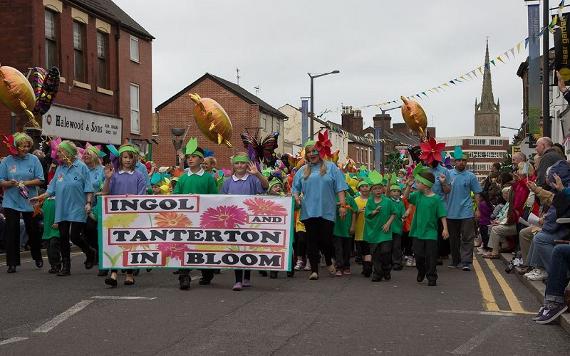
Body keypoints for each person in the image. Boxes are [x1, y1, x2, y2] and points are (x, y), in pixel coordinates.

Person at [32, 140, 96, 276]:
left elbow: (89, 187)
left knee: (75, 236)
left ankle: (90, 252)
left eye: (60, 151)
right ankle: (66, 267)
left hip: (78, 207)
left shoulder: (81, 167)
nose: (57, 154)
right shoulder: (60, 168)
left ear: (69, 153)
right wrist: (41, 197)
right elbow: (52, 188)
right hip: (62, 208)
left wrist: (88, 202)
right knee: (63, 236)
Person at [292, 140, 348, 281]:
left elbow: (340, 188)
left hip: (327, 211)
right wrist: (297, 197)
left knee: (326, 241)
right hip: (308, 211)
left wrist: (342, 205)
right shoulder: (301, 171)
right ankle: (314, 270)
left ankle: (329, 261)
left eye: (314, 151)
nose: (312, 154)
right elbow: (295, 189)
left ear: (320, 152)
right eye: (309, 151)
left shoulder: (331, 168)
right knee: (312, 241)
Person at [174, 139, 219, 290]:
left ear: (201, 159)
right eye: (188, 157)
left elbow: (214, 199)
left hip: (202, 220)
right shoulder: (183, 177)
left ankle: (207, 273)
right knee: (184, 247)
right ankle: (184, 276)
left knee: (202, 247)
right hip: (185, 220)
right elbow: (175, 197)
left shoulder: (208, 178)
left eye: (193, 156)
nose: (190, 159)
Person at [100, 144, 147, 286]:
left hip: (132, 216)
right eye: (125, 157)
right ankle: (113, 273)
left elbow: (142, 195)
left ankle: (129, 273)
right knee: (115, 244)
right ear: (120, 158)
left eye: (130, 157)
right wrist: (108, 178)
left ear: (135, 159)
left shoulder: (139, 175)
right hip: (116, 216)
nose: (127, 160)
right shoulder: (113, 174)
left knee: (129, 244)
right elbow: (105, 193)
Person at [221, 152, 269, 290]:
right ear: (233, 166)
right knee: (237, 248)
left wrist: (257, 174)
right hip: (234, 220)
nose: (240, 165)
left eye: (242, 163)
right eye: (237, 163)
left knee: (248, 248)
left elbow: (265, 187)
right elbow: (221, 199)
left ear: (247, 164)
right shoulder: (228, 182)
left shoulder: (252, 179)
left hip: (250, 219)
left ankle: (247, 276)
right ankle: (238, 280)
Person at [0, 133, 45, 273]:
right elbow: (1, 181)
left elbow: (41, 180)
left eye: (27, 146)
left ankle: (37, 256)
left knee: (33, 230)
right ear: (16, 146)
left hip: (29, 201)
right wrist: (10, 183)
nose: (25, 148)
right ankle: (12, 263)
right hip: (11, 201)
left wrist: (25, 183)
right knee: (11, 231)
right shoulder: (6, 161)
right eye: (22, 146)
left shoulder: (34, 160)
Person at [403, 169, 449, 286]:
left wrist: (445, 228)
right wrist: (408, 186)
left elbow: (442, 214)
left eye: (418, 182)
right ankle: (421, 270)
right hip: (417, 231)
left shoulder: (436, 199)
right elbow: (406, 197)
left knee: (431, 256)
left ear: (426, 185)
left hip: (431, 232)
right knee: (418, 255)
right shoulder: (417, 195)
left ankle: (432, 277)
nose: (416, 184)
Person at [446, 148, 482, 271]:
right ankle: (455, 260)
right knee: (453, 239)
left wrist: (477, 209)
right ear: (454, 162)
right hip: (450, 212)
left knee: (467, 237)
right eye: (459, 160)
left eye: (464, 160)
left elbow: (477, 193)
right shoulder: (448, 174)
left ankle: (466, 262)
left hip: (466, 211)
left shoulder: (471, 176)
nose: (461, 162)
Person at [363, 175, 395, 282]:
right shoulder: (370, 202)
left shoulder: (388, 201)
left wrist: (388, 224)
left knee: (385, 252)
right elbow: (367, 214)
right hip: (373, 232)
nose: (378, 190)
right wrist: (374, 211)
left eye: (380, 188)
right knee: (375, 254)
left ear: (383, 189)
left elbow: (394, 213)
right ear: (371, 191)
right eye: (375, 189)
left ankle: (386, 269)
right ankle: (377, 274)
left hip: (385, 232)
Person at [81, 144, 106, 276]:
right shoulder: (81, 169)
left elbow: (106, 185)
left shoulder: (102, 170)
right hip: (82, 205)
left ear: (95, 156)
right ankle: (93, 252)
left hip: (98, 206)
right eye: (84, 154)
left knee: (93, 229)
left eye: (88, 154)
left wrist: (101, 192)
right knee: (84, 232)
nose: (85, 156)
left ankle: (99, 254)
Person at [332, 187, 357, 277]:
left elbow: (355, 212)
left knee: (347, 249)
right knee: (338, 249)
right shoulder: (333, 197)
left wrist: (353, 226)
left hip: (347, 229)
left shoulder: (350, 198)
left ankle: (346, 266)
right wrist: (337, 204)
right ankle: (339, 267)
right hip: (336, 228)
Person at [40, 197, 61, 273]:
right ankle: (53, 265)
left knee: (53, 245)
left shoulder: (59, 199)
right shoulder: (45, 200)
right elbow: (42, 212)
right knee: (49, 249)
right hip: (48, 229)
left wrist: (59, 223)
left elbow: (64, 212)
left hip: (56, 229)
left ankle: (57, 265)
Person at [389, 182, 406, 271]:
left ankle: (396, 262)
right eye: (393, 191)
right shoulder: (388, 201)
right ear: (390, 192)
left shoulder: (401, 203)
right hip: (388, 228)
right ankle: (388, 262)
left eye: (397, 191)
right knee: (388, 246)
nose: (395, 193)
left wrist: (404, 217)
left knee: (397, 246)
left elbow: (403, 213)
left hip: (398, 228)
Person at [354, 180, 371, 265]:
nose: (365, 188)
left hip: (370, 229)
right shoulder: (356, 200)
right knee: (360, 246)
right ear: (359, 189)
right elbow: (352, 214)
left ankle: (367, 265)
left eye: (366, 186)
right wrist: (358, 211)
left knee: (368, 248)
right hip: (359, 228)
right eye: (362, 186)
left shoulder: (372, 200)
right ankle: (361, 260)